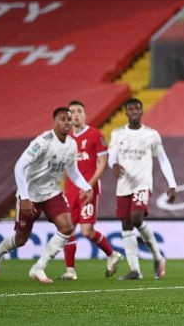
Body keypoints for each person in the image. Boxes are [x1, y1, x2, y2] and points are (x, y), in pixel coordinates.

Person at [0, 107, 94, 283]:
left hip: (52, 193)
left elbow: (73, 171)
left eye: (69, 119)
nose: (67, 122)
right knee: (21, 239)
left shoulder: (71, 144)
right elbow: (19, 166)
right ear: (54, 122)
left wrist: (87, 187)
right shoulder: (43, 141)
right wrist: (24, 197)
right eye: (62, 119)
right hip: (30, 195)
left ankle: (38, 268)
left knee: (67, 228)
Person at [108, 97, 177, 280]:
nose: (134, 112)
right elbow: (111, 157)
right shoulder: (117, 134)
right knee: (126, 224)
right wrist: (113, 165)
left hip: (142, 183)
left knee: (136, 218)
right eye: (130, 109)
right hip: (123, 185)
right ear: (126, 112)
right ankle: (135, 270)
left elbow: (162, 159)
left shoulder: (151, 135)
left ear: (142, 111)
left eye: (137, 109)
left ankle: (157, 256)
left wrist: (172, 184)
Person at [60, 100, 122, 280]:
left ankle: (112, 254)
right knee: (67, 230)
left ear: (85, 115)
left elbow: (102, 164)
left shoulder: (95, 135)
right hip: (70, 191)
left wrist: (89, 185)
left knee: (87, 231)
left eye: (79, 111)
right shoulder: (65, 138)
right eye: (72, 112)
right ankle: (70, 270)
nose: (76, 114)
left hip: (89, 189)